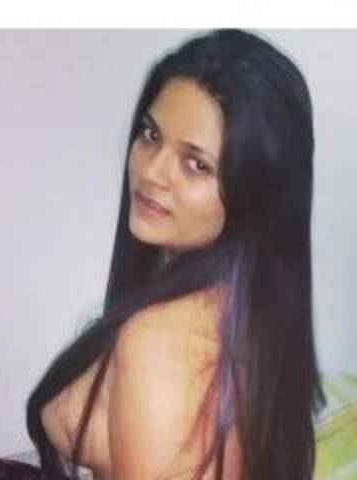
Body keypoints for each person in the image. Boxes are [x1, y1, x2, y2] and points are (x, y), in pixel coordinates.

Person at [22, 29, 325, 480]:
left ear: (255, 192)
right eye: (151, 134)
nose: (152, 171)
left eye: (197, 164)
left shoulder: (156, 342)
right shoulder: (258, 310)